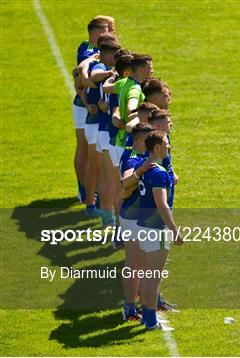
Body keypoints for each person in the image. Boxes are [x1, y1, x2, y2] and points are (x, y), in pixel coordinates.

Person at [136, 131, 183, 330]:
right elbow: (162, 205)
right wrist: (174, 229)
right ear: (157, 148)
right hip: (156, 228)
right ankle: (150, 320)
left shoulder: (145, 167)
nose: (168, 146)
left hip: (142, 225)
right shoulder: (159, 173)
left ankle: (147, 317)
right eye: (165, 143)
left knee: (148, 274)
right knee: (153, 277)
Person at [118, 123, 155, 320]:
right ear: (141, 140)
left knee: (141, 262)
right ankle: (130, 307)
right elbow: (125, 182)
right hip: (133, 217)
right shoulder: (133, 159)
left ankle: (141, 303)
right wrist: (140, 171)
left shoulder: (140, 157)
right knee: (135, 263)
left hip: (141, 216)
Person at [72, 18, 109, 203]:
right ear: (96, 33)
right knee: (84, 148)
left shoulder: (100, 50)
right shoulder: (87, 48)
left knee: (97, 152)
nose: (110, 32)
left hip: (92, 104)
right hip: (82, 104)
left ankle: (92, 191)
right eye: (106, 30)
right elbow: (79, 72)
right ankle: (83, 190)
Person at [83, 38, 121, 218]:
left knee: (106, 176)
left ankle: (105, 213)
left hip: (102, 128)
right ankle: (106, 215)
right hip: (105, 129)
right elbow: (93, 78)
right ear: (109, 55)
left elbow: (83, 86)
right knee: (109, 177)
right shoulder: (102, 68)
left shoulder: (106, 71)